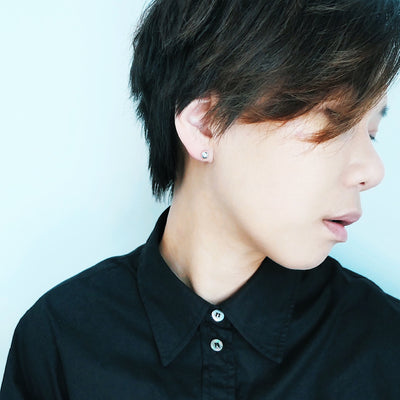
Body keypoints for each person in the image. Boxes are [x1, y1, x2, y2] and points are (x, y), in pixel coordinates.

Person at [2, 0, 400, 398]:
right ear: (205, 124)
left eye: (371, 133)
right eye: (335, 121)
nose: (372, 170)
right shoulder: (59, 342)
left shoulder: (384, 347)